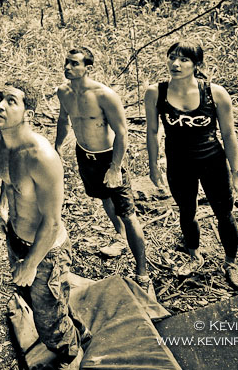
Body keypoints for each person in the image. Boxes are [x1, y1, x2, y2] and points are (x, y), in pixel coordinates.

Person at [0, 81, 85, 366]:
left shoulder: (42, 157)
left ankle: (71, 355)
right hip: (16, 238)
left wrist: (31, 264)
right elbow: (6, 178)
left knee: (49, 321)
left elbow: (53, 222)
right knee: (35, 302)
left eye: (11, 101)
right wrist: (2, 205)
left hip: (46, 251)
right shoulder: (0, 140)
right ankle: (75, 328)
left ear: (28, 114)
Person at [144, 40, 238, 286]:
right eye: (172, 57)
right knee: (186, 212)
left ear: (197, 64)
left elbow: (229, 134)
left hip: (212, 161)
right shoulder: (155, 92)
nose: (175, 64)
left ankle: (231, 262)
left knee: (224, 213)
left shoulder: (214, 93)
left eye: (184, 59)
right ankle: (194, 255)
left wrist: (236, 172)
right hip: (179, 165)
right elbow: (151, 131)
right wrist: (153, 165)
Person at [54, 47, 152, 294]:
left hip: (109, 156)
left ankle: (143, 273)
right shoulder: (63, 92)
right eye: (67, 62)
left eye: (74, 63)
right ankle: (119, 236)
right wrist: (56, 147)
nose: (68, 67)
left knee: (128, 213)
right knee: (103, 197)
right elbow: (63, 120)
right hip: (85, 154)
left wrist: (115, 167)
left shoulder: (104, 95)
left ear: (88, 68)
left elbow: (122, 132)